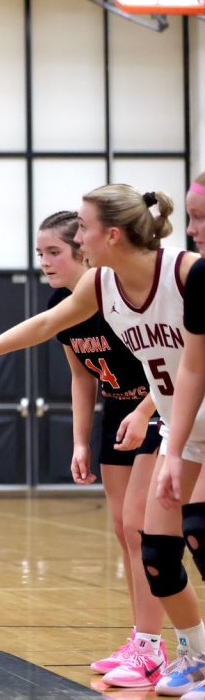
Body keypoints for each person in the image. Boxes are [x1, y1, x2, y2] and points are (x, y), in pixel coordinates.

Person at [0, 183, 205, 695]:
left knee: (194, 532)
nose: (77, 238)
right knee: (155, 551)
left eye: (81, 229)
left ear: (113, 234)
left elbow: (193, 365)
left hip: (182, 418)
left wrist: (159, 426)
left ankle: (174, 650)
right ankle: (191, 653)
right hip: (179, 423)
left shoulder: (185, 274)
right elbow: (45, 326)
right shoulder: (100, 287)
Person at [36, 210, 165, 686]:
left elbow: (169, 360)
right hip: (116, 417)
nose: (46, 262)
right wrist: (78, 441)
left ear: (83, 251)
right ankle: (140, 639)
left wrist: (147, 411)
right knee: (122, 532)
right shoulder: (61, 305)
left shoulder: (118, 298)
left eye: (54, 252)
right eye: (40, 253)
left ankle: (154, 647)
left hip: (155, 415)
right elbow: (80, 376)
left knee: (143, 532)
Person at [161, 176, 205, 698]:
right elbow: (190, 368)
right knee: (174, 538)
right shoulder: (201, 278)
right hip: (192, 430)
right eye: (191, 217)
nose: (193, 231)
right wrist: (174, 449)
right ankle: (192, 655)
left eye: (203, 218)